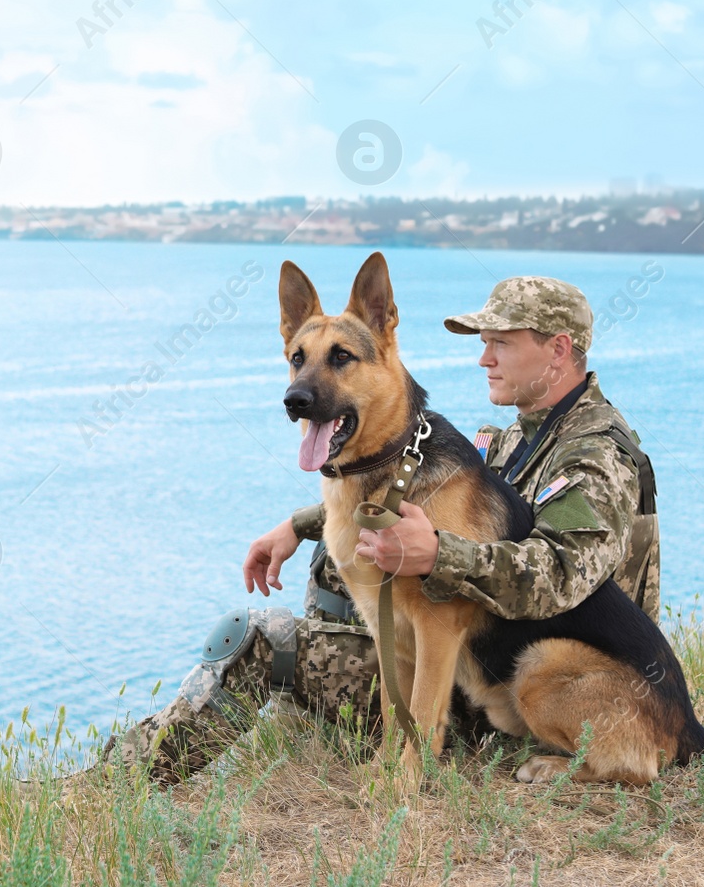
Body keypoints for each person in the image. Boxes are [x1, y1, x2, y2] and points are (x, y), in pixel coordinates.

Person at [99, 277, 659, 783]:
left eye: (500, 342)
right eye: (482, 342)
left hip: (584, 682)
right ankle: (298, 739)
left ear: (558, 348)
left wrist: (439, 555)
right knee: (333, 569)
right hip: (485, 668)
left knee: (262, 641)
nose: (483, 358)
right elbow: (442, 501)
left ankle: (130, 779)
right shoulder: (515, 437)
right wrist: (300, 526)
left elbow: (561, 578)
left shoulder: (596, 455)